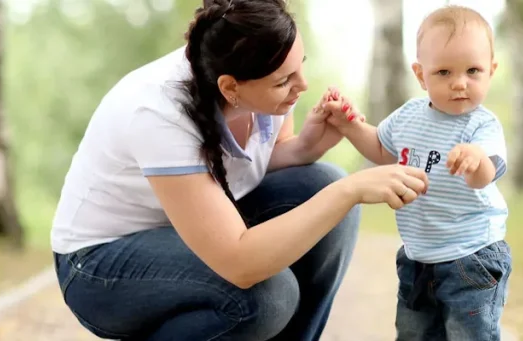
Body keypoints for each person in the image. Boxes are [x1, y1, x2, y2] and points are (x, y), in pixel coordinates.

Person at [49, 0, 430, 339]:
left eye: (300, 66)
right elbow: (240, 263)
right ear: (230, 87)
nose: (302, 85)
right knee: (267, 296)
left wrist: (305, 148)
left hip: (192, 227)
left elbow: (248, 167)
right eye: (284, 81)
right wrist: (351, 190)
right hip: (99, 265)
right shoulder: (157, 113)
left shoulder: (261, 59)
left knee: (321, 182)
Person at [321, 5, 511, 341]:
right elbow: (382, 149)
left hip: (472, 256)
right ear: (421, 75)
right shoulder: (409, 115)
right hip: (418, 257)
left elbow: (484, 176)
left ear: (491, 71)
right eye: (444, 72)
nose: (459, 83)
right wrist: (349, 126)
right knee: (413, 332)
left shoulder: (482, 126)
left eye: (473, 70)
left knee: (469, 334)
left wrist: (475, 158)